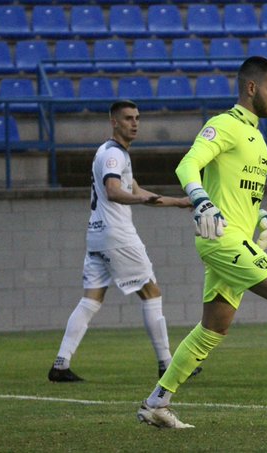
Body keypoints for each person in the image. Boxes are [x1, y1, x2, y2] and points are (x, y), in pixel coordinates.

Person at [136, 57, 267, 429]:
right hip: (221, 239)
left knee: (213, 329)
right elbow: (186, 166)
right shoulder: (224, 125)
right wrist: (201, 200)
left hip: (235, 236)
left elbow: (236, 193)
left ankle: (156, 402)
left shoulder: (257, 139)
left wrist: (258, 214)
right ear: (252, 88)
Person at [48, 100, 201, 382]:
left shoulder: (114, 154)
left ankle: (60, 364)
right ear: (114, 122)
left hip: (97, 234)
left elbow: (137, 190)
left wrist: (178, 202)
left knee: (90, 300)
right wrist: (140, 198)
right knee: (151, 292)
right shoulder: (113, 155)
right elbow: (114, 191)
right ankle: (167, 364)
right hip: (116, 234)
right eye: (129, 118)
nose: (135, 123)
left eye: (137, 118)